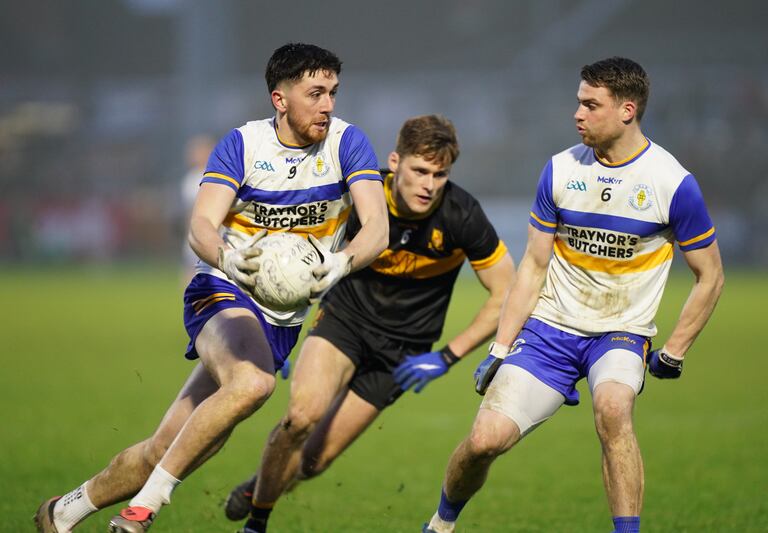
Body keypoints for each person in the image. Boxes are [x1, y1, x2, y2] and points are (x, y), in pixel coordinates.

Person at [34, 42, 388, 533]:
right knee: (253, 384)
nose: (328, 105)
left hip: (280, 321)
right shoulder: (243, 145)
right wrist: (226, 256)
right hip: (222, 288)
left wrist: (342, 263)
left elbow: (378, 227)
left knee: (167, 446)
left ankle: (62, 512)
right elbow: (200, 223)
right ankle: (146, 508)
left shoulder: (348, 144)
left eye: (333, 92)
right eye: (315, 93)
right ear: (279, 99)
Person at [422, 57, 724, 533]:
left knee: (613, 408)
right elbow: (534, 266)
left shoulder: (672, 183)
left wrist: (675, 350)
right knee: (483, 441)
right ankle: (440, 524)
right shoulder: (561, 170)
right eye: (578, 102)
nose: (577, 113)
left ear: (627, 110)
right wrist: (500, 347)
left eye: (590, 104)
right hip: (550, 330)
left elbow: (710, 275)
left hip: (620, 332)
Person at [223, 114, 515, 533]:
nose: (429, 184)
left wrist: (447, 356)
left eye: (440, 174)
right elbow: (285, 254)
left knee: (314, 462)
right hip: (344, 322)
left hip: (400, 353)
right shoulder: (361, 196)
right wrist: (275, 330)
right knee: (301, 417)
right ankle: (257, 524)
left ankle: (261, 486)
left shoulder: (461, 214)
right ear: (395, 161)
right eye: (419, 170)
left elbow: (506, 291)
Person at [178, 134, 216, 283]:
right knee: (190, 272)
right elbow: (189, 212)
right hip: (196, 232)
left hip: (214, 233)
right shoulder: (191, 179)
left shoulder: (216, 175)